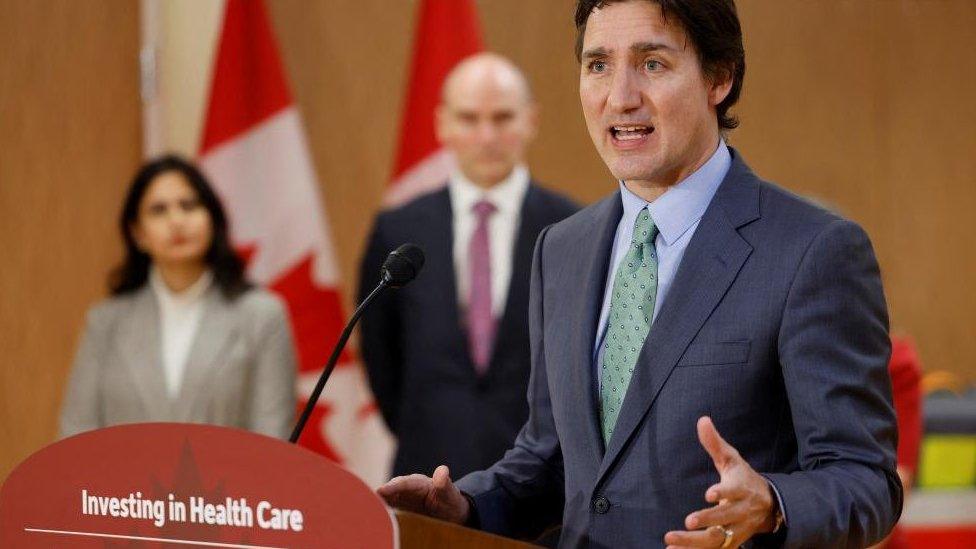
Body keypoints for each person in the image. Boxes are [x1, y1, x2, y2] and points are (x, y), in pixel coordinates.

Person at [376, 1, 902, 547]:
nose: (620, 98)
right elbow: (553, 461)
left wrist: (772, 504)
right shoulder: (561, 248)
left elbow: (866, 479)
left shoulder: (813, 251)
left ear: (719, 77)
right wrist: (466, 505)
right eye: (598, 65)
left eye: (652, 63)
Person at [358, 53, 578, 479]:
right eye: (469, 119)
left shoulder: (574, 228)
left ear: (530, 120)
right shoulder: (398, 229)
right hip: (426, 471)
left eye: (502, 118)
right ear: (442, 123)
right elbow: (381, 358)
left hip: (542, 483)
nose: (486, 136)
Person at [60, 155, 297, 439]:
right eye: (159, 210)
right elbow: (76, 437)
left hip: (231, 484)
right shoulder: (105, 322)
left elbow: (273, 440)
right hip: (122, 485)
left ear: (212, 218)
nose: (176, 221)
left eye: (189, 205)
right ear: (138, 233)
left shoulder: (262, 315)